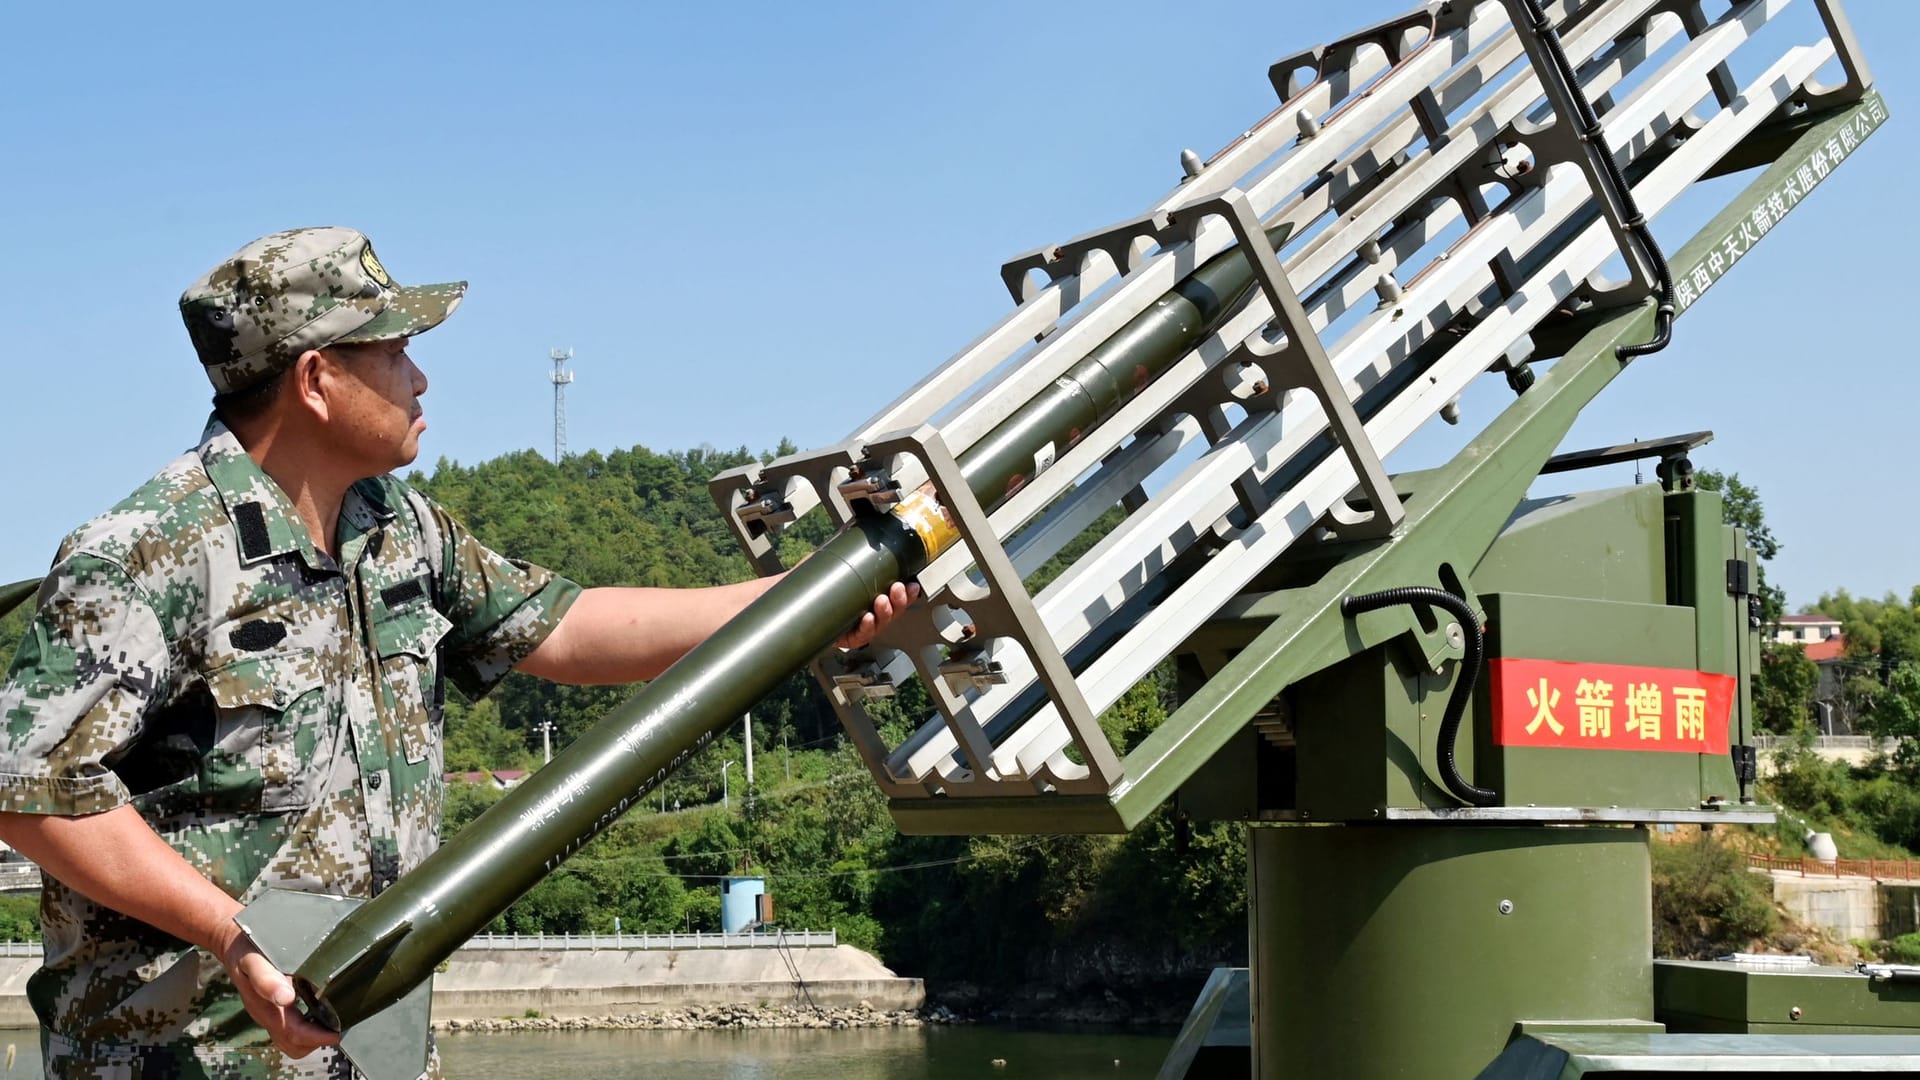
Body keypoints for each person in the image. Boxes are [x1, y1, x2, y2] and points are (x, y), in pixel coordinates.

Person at [0, 226, 913, 1078]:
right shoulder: (146, 554)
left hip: (366, 1053)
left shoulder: (397, 526)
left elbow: (563, 627)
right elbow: (33, 793)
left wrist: (794, 605)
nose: (421, 379)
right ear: (316, 380)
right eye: (394, 352)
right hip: (184, 1058)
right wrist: (236, 934)